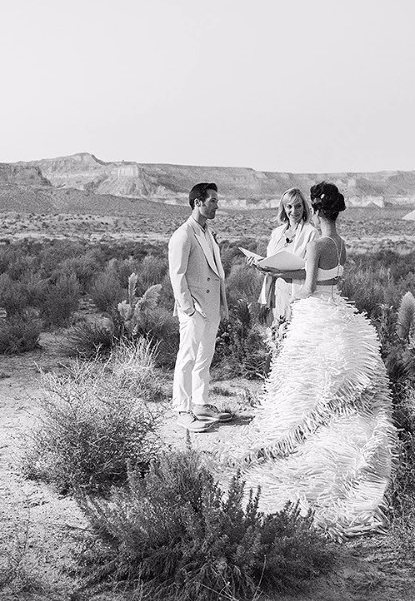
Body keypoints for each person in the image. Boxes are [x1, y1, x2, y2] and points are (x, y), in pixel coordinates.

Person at [230, 181, 397, 538]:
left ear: (317, 211)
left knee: (302, 386)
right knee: (331, 388)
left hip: (313, 317)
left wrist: (271, 270)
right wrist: (277, 271)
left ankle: (304, 448)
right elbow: (324, 280)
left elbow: (305, 288)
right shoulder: (340, 244)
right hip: (337, 314)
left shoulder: (317, 243)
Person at [168, 182, 233, 433]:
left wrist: (220, 304)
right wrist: (188, 308)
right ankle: (182, 409)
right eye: (213, 200)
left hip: (211, 305)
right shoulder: (183, 234)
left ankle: (201, 403)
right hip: (195, 307)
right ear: (198, 202)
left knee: (205, 356)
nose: (217, 205)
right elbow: (177, 275)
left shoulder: (207, 232)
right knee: (187, 357)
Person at [254, 188, 318, 322]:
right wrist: (258, 263)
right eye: (289, 206)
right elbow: (269, 264)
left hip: (297, 293)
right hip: (275, 293)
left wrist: (280, 273)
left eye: (298, 206)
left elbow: (309, 272)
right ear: (283, 208)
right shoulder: (277, 233)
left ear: (304, 208)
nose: (294, 211)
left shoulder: (311, 233)